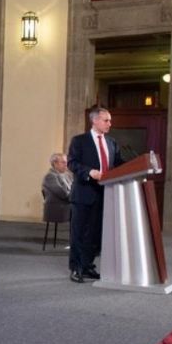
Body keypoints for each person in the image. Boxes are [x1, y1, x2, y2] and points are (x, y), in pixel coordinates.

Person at [67, 107, 123, 283]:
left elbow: (120, 164)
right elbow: (72, 163)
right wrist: (89, 171)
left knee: (96, 234)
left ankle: (88, 266)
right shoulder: (79, 141)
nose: (109, 124)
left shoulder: (112, 142)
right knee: (79, 233)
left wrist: (141, 165)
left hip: (105, 194)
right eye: (106, 120)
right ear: (95, 121)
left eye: (110, 120)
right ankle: (76, 268)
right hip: (84, 194)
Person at [42, 152, 73, 225]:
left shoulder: (67, 175)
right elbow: (63, 194)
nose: (66, 165)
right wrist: (76, 197)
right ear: (55, 164)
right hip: (57, 208)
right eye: (63, 162)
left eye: (66, 162)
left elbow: (73, 189)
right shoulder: (50, 176)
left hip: (66, 205)